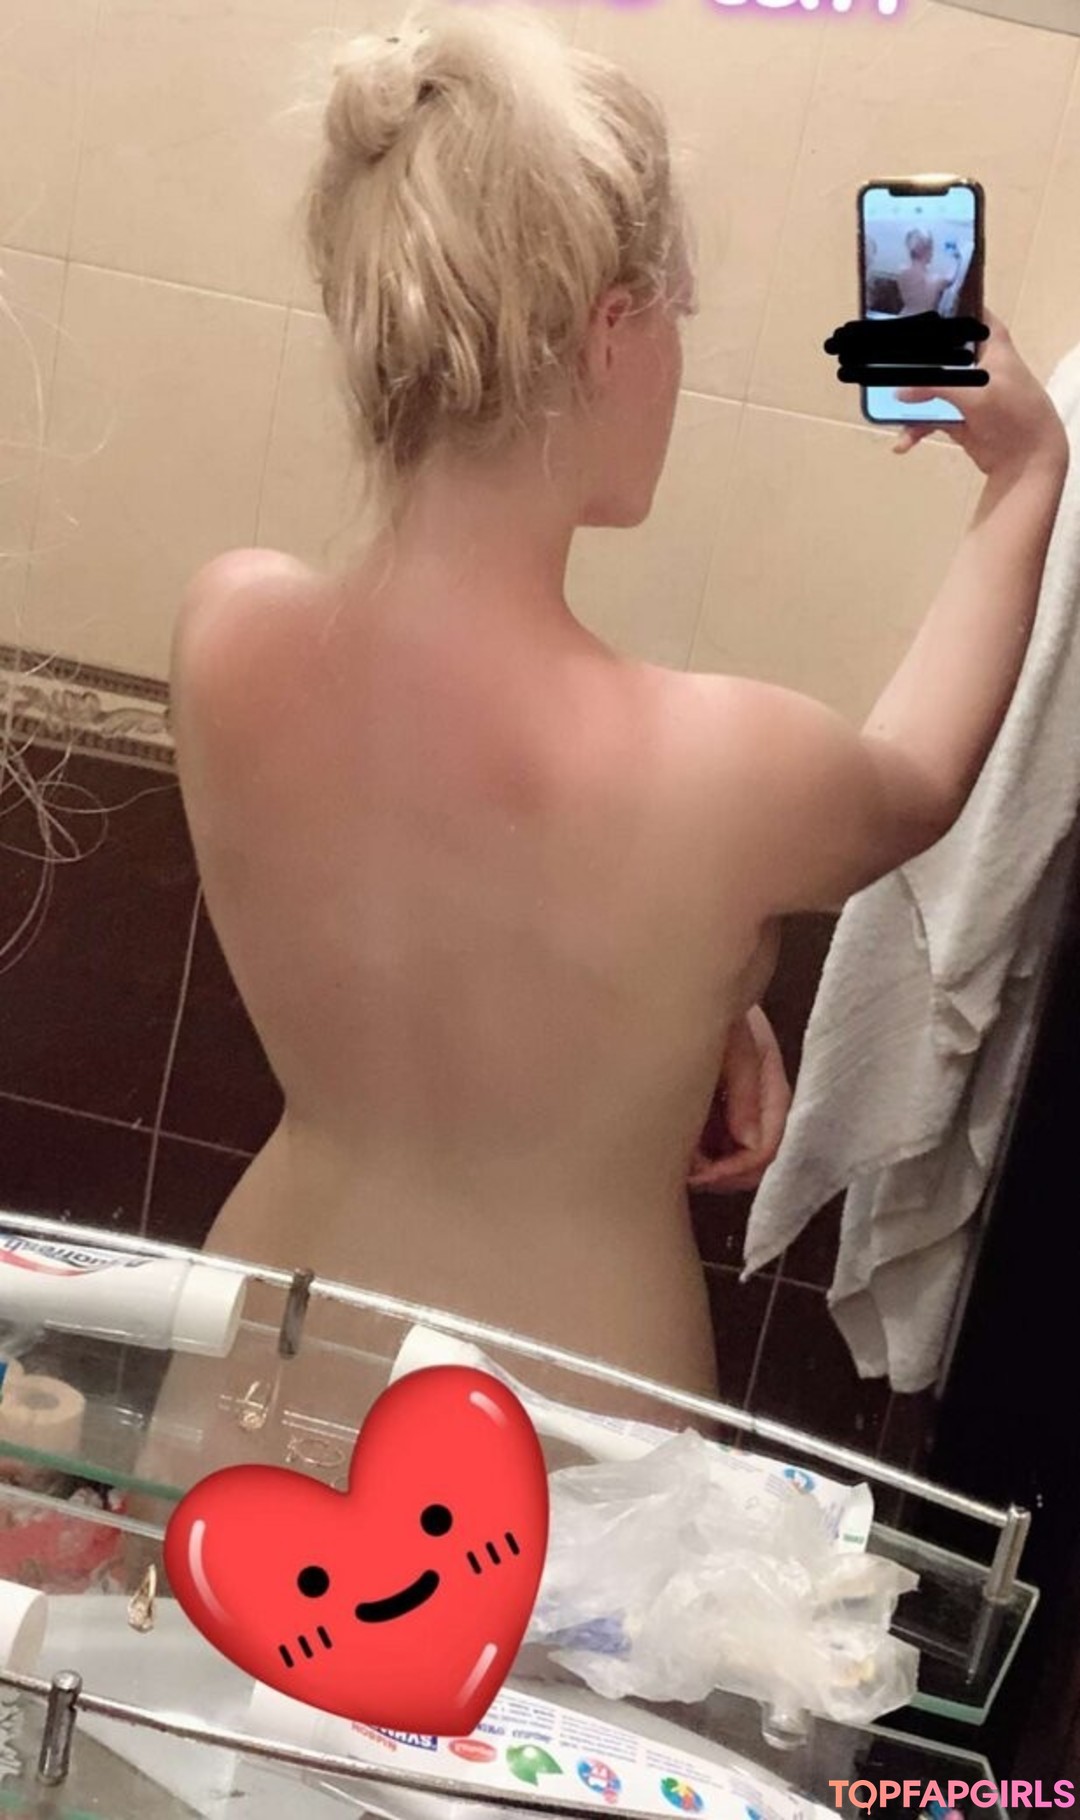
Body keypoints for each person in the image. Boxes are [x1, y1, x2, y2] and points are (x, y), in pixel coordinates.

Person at [138, 4, 1067, 1494]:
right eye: (678, 311)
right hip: (557, 1462)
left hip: (259, 1380)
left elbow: (428, 896)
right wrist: (1024, 473)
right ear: (612, 329)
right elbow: (922, 778)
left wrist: (689, 994)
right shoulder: (720, 769)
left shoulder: (225, 628)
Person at [897, 227, 962, 317]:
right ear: (926, 251)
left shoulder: (902, 272)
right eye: (931, 248)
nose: (932, 253)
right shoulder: (933, 281)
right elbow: (950, 279)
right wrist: (957, 260)